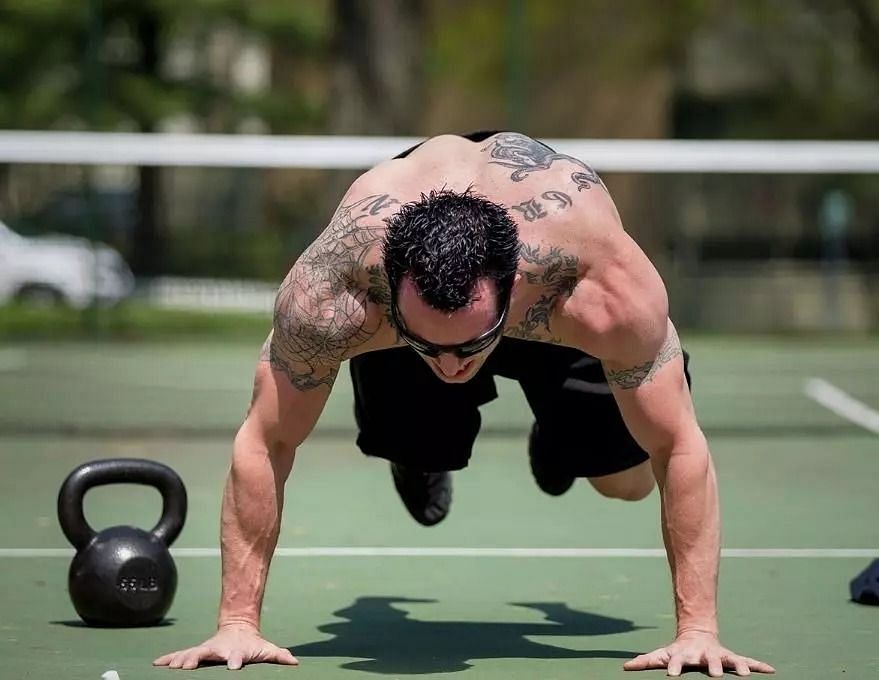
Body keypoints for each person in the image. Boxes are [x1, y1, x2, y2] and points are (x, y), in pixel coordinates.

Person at [154, 131, 775, 677]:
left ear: (513, 289)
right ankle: (421, 446)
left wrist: (698, 632)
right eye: (431, 345)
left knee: (626, 481)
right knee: (415, 439)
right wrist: (237, 621)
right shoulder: (335, 293)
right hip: (414, 303)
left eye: (471, 345)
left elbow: (678, 445)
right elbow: (266, 440)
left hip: (552, 314)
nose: (452, 366)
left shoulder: (600, 289)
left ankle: (556, 444)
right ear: (391, 293)